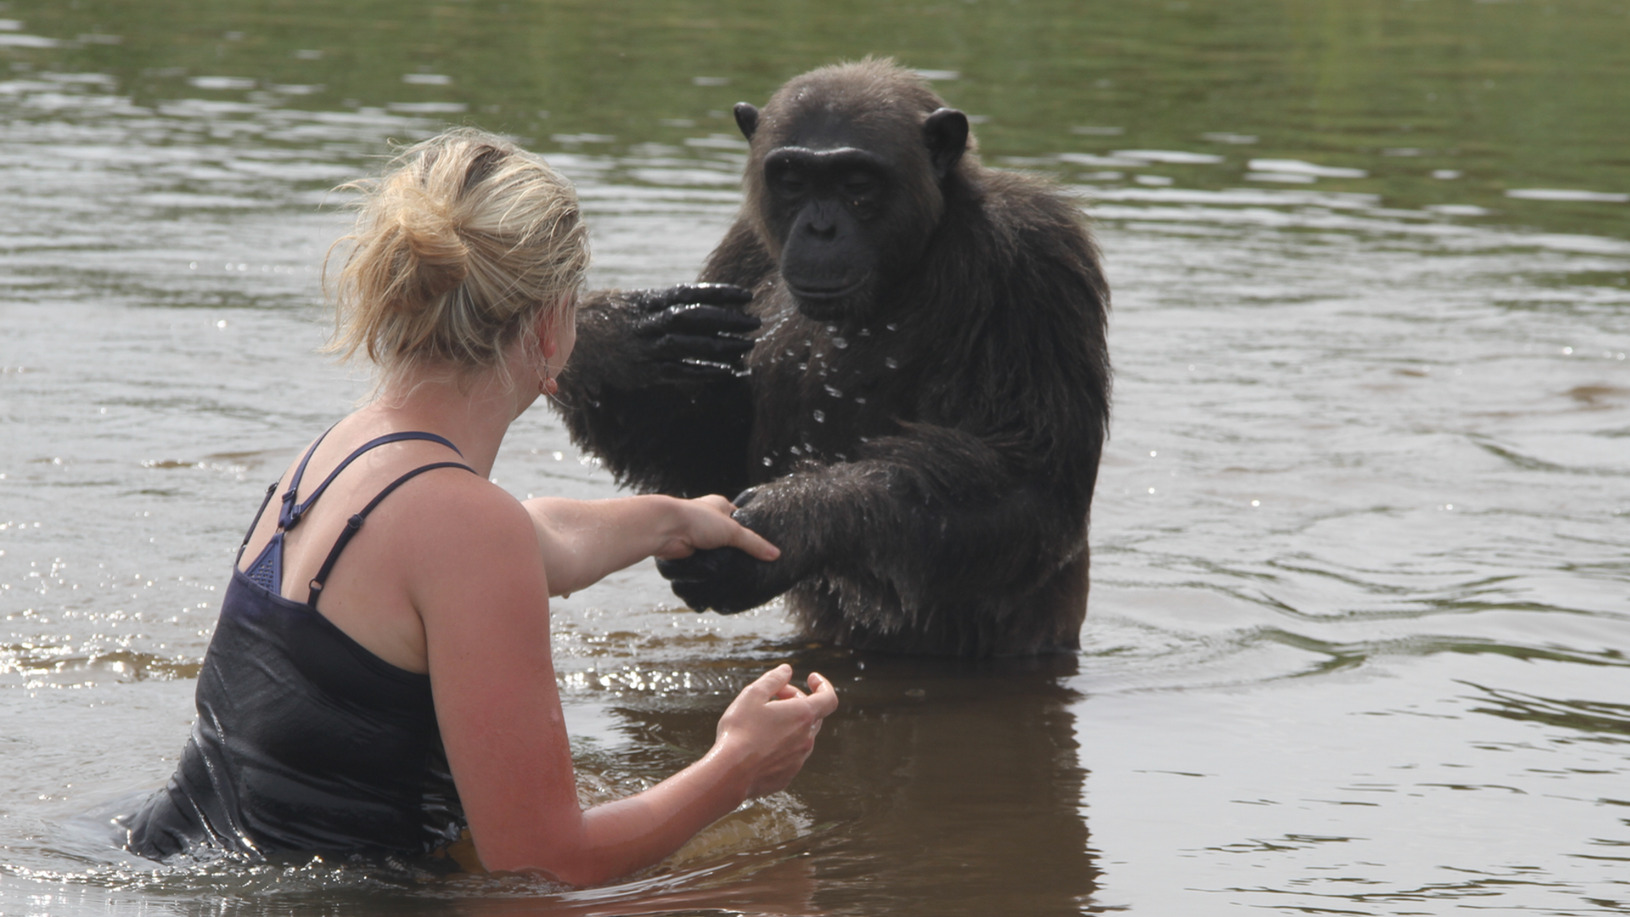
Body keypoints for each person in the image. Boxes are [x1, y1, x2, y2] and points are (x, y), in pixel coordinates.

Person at [122, 127, 838, 885]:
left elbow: (529, 538)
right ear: (547, 327)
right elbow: (543, 861)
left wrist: (667, 519)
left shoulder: (343, 452)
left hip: (175, 852)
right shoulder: (466, 527)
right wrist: (735, 765)